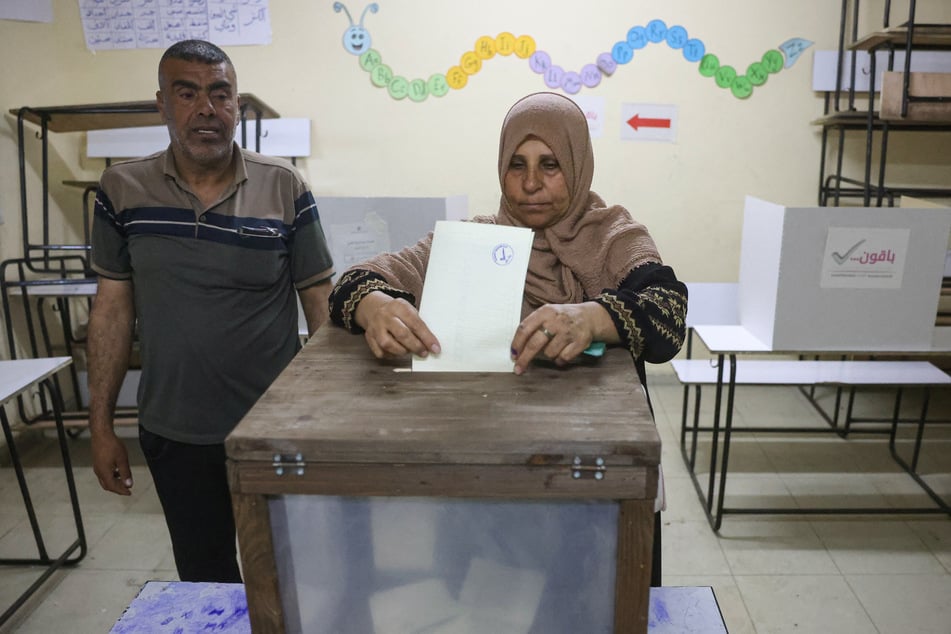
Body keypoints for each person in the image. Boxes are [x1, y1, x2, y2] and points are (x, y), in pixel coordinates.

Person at [328, 91, 686, 586]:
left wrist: (592, 318)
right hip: (498, 470)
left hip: (599, 475)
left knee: (595, 595)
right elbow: (355, 281)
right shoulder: (474, 242)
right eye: (517, 164)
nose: (531, 183)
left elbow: (669, 315)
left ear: (579, 164)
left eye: (551, 165)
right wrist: (376, 306)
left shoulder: (614, 239)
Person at [86, 39, 334, 583]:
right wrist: (101, 426)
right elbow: (110, 312)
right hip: (175, 432)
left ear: (237, 107)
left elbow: (320, 307)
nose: (206, 109)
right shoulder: (120, 191)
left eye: (220, 94)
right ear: (162, 105)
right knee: (205, 579)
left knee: (293, 575)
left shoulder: (284, 187)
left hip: (274, 431)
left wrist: (326, 421)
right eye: (187, 93)